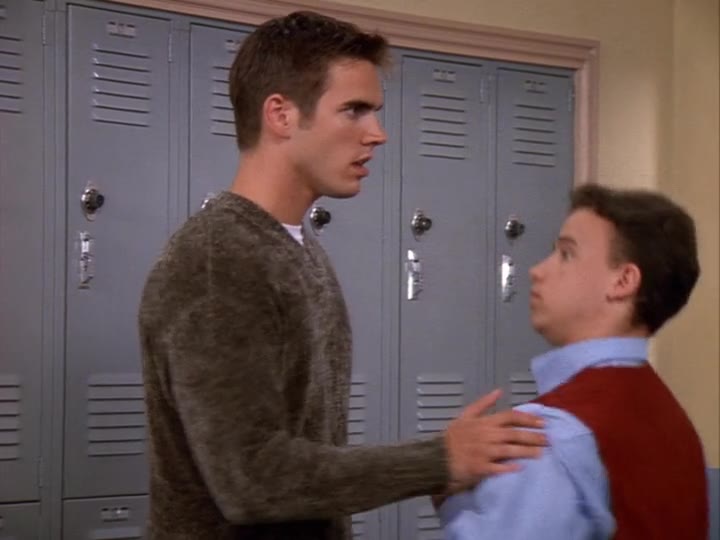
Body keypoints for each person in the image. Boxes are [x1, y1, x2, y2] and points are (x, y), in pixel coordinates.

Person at [138, 10, 547, 540]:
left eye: (374, 112)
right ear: (281, 115)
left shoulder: (297, 248)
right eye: (354, 110)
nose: (377, 134)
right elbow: (252, 479)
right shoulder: (217, 260)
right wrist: (440, 459)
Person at [439, 183, 709, 539]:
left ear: (623, 280)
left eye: (566, 254)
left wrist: (448, 492)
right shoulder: (675, 423)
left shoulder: (552, 435)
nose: (537, 270)